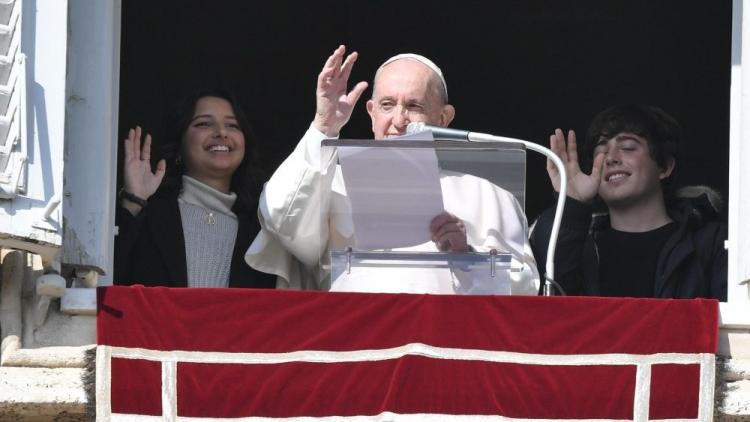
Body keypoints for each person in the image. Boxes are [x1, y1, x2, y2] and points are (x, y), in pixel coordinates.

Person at [245, 45, 539, 294]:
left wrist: (466, 257)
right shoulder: (332, 184)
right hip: (360, 349)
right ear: (371, 113)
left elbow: (524, 287)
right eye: (387, 105)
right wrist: (323, 126)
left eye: (414, 106)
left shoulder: (487, 195)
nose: (399, 120)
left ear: (444, 117)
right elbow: (281, 219)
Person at [530, 104, 727, 299]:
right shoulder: (580, 243)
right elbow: (551, 307)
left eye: (628, 147)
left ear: (665, 167)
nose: (611, 158)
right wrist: (572, 204)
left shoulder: (711, 243)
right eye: (602, 150)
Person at [114, 89, 276, 289]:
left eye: (232, 125)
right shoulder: (150, 213)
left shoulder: (263, 228)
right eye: (204, 124)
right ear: (179, 142)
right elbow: (107, 281)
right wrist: (133, 201)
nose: (221, 133)